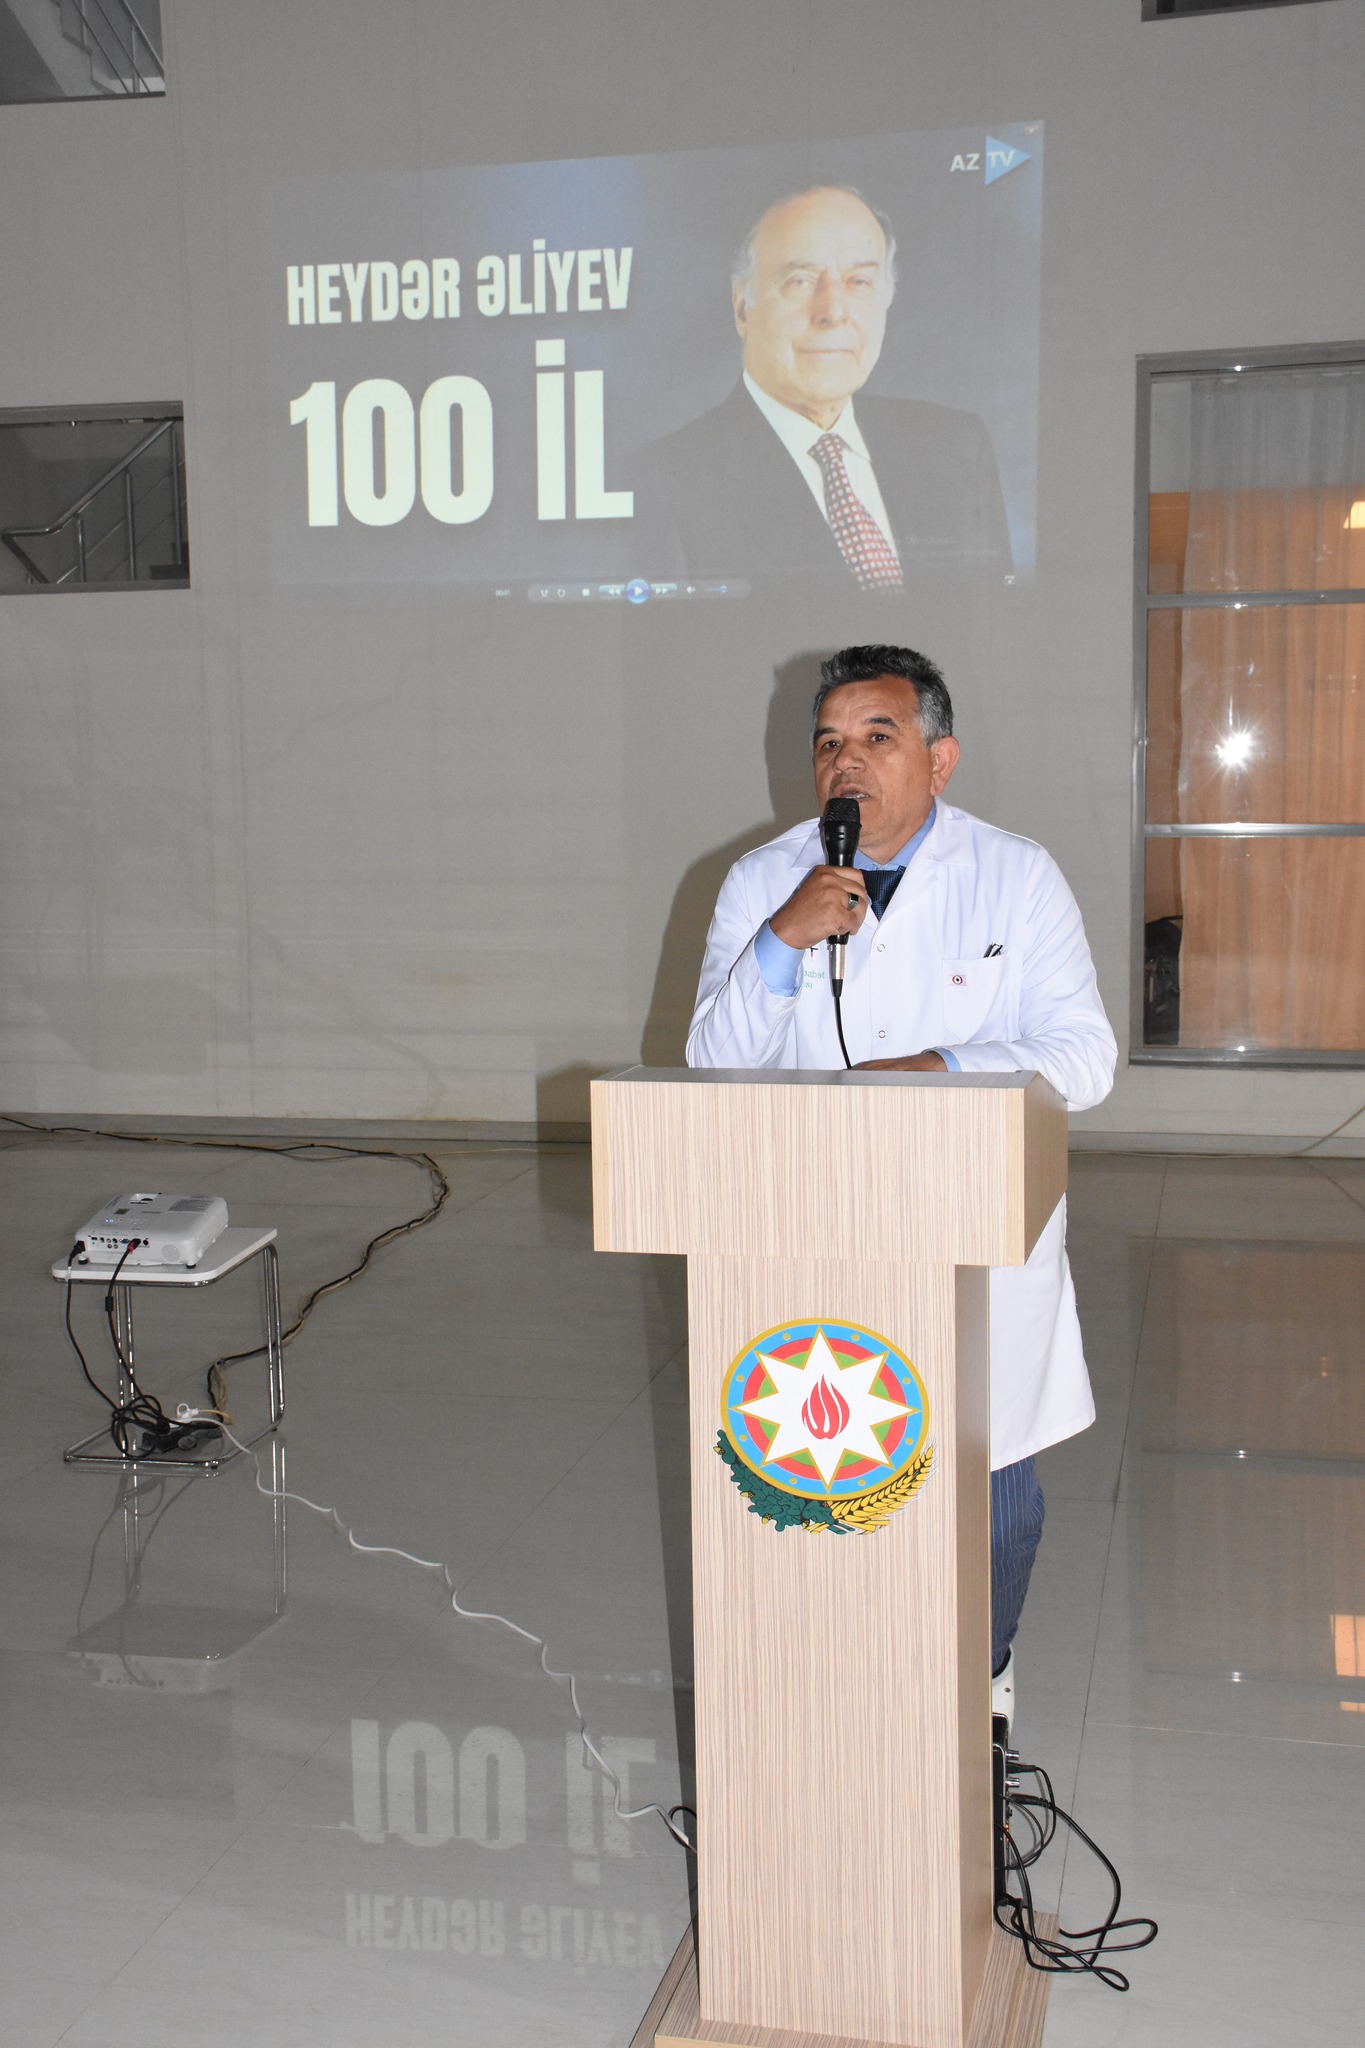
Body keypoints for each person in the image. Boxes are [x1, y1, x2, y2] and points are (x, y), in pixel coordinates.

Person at [686, 644, 1116, 1721]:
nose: (847, 761)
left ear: (940, 758)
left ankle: (981, 1689)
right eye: (828, 741)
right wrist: (782, 941)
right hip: (805, 1243)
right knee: (819, 1497)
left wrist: (942, 1066)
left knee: (994, 1515)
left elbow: (1085, 1057)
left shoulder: (1016, 873)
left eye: (878, 736)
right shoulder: (763, 881)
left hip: (968, 1243)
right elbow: (708, 1064)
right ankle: (836, 1716)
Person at [647, 186, 1011, 586]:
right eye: (799, 281)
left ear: (886, 298)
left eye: (859, 281)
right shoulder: (663, 482)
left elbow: (997, 617)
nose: (833, 312)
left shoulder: (958, 446)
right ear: (742, 310)